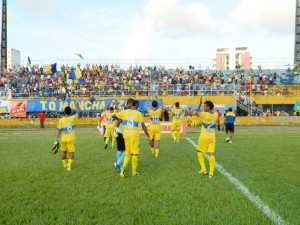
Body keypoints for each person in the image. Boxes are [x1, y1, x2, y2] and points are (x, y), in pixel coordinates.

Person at [115, 99, 150, 177]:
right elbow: (143, 126)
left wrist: (118, 123)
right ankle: (134, 172)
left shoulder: (124, 112)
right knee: (134, 154)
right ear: (136, 105)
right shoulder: (138, 113)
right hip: (134, 135)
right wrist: (148, 136)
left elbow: (114, 115)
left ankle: (122, 170)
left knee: (127, 153)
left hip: (126, 135)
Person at [195, 97, 218, 178]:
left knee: (199, 151)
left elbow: (196, 112)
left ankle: (204, 169)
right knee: (211, 153)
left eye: (205, 106)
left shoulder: (204, 114)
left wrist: (200, 103)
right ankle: (211, 172)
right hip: (212, 137)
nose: (204, 108)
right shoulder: (216, 114)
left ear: (208, 107)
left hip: (204, 136)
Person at [55, 102, 80, 171]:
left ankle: (64, 164)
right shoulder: (73, 117)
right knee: (71, 153)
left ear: (64, 112)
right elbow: (78, 112)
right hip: (71, 138)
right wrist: (77, 106)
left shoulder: (61, 120)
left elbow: (59, 130)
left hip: (63, 138)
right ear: (70, 112)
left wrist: (56, 139)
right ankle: (69, 165)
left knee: (63, 152)